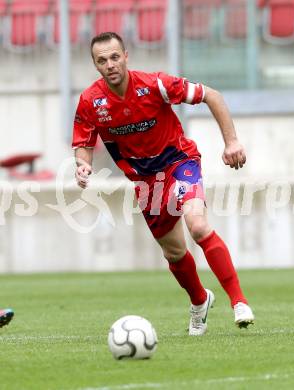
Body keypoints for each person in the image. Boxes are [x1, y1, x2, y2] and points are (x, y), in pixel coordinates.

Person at [72, 32, 254, 336]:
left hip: (178, 163)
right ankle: (199, 301)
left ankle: (239, 302)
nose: (110, 65)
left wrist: (232, 141)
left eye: (115, 57)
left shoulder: (155, 84)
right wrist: (83, 165)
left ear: (126, 56)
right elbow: (83, 141)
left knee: (197, 226)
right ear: (95, 65)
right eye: (102, 60)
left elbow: (213, 95)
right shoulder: (92, 101)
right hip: (145, 181)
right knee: (174, 253)